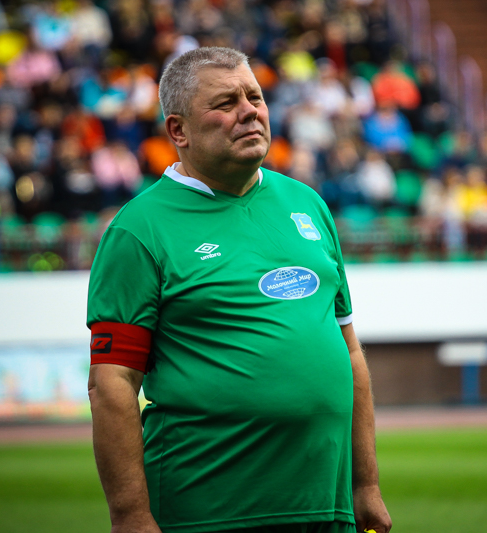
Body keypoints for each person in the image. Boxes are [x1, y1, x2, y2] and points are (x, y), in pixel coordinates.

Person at [86, 47, 392, 533]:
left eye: (255, 97)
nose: (249, 111)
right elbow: (112, 383)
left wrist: (366, 484)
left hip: (325, 507)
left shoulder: (308, 204)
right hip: (206, 512)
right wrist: (130, 516)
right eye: (226, 103)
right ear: (178, 130)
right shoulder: (138, 230)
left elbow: (348, 351)